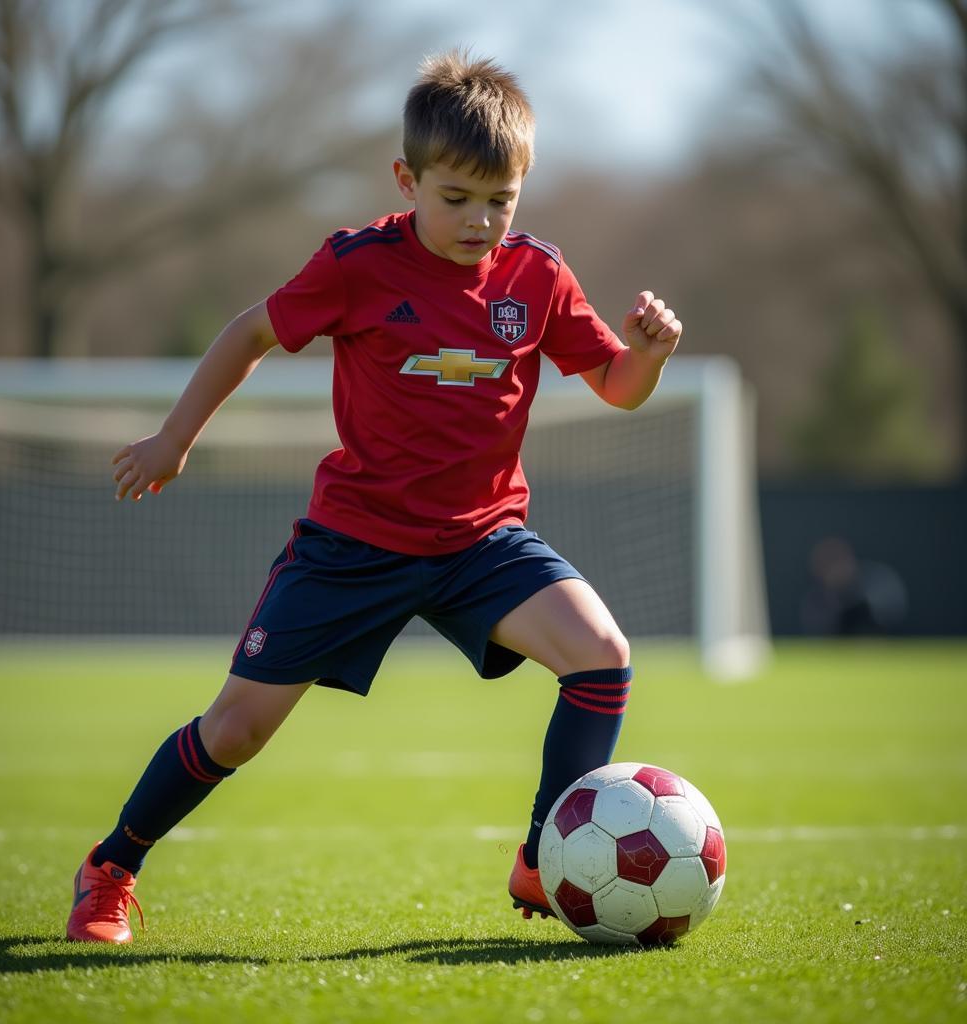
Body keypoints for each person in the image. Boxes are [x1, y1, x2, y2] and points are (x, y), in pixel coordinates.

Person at [66, 50, 683, 943]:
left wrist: (649, 354)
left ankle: (545, 855)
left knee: (602, 655)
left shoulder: (538, 277)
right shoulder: (358, 264)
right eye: (456, 198)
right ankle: (112, 865)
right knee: (235, 732)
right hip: (355, 543)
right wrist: (173, 440)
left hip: (483, 543)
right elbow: (248, 335)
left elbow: (616, 385)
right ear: (408, 179)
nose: (480, 222)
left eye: (500, 201)